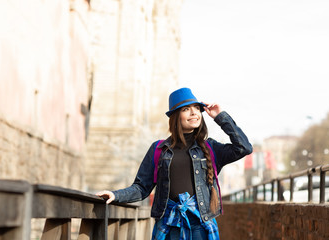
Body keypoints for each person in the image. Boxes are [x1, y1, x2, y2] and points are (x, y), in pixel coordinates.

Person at [96, 87, 253, 240]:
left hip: (201, 228)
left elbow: (244, 148)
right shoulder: (158, 149)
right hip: (169, 228)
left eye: (197, 108)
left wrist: (220, 117)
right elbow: (141, 188)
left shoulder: (211, 148)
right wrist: (116, 195)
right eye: (186, 109)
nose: (193, 113)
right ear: (176, 116)